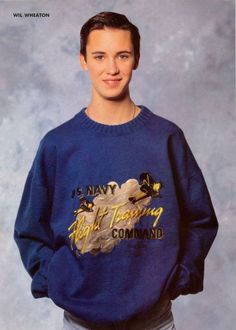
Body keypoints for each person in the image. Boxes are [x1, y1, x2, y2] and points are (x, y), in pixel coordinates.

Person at [14, 11, 219, 330]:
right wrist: (55, 280)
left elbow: (201, 219)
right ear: (83, 60)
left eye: (122, 55)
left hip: (154, 321)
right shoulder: (58, 144)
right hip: (81, 322)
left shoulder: (165, 138)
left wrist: (180, 275)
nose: (111, 68)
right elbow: (30, 228)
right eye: (99, 56)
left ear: (135, 59)